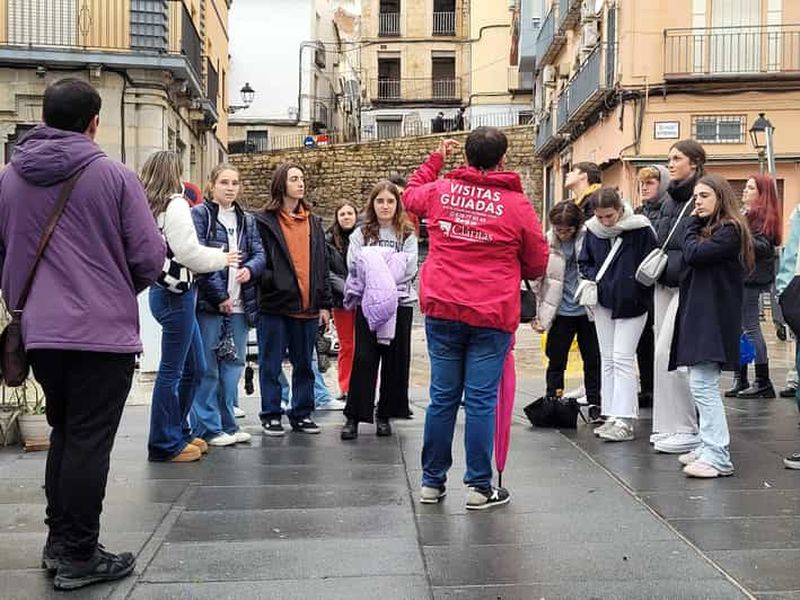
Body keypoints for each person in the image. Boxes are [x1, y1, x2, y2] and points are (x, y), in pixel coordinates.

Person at [0, 78, 165, 590]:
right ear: (95, 122)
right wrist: (115, 288)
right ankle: (78, 553)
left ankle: (59, 542)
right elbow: (149, 257)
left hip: (41, 333)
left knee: (67, 436)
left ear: (43, 118)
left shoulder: (9, 178)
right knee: (89, 442)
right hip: (100, 334)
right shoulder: (114, 176)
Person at [403, 128, 548, 510]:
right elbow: (537, 261)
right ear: (502, 159)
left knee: (442, 398)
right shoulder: (516, 205)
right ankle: (479, 486)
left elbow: (410, 195)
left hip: (443, 305)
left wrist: (435, 159)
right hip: (491, 310)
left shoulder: (440, 191)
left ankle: (432, 483)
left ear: (465, 157)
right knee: (481, 400)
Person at [145, 152, 239, 464]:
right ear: (176, 172)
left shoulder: (149, 206)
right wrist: (222, 258)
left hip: (164, 292)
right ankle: (164, 441)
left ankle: (178, 430)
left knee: (195, 367)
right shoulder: (176, 204)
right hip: (178, 295)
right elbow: (187, 252)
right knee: (174, 371)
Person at [670, 174, 753, 477]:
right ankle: (708, 446)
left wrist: (690, 225)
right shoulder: (715, 229)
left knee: (703, 385)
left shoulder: (729, 230)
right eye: (695, 197)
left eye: (704, 196)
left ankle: (718, 455)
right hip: (703, 314)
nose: (698, 202)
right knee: (700, 384)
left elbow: (692, 253)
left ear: (720, 197)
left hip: (713, 318)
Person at [189, 164, 266, 446]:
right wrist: (219, 295)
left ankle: (227, 425)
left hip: (240, 304)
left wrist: (252, 270)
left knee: (232, 366)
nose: (230, 187)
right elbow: (198, 259)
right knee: (208, 367)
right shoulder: (199, 216)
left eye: (235, 182)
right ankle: (207, 428)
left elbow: (259, 253)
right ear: (211, 185)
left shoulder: (247, 219)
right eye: (224, 182)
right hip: (211, 305)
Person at [254, 163, 332, 436]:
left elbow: (322, 265)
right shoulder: (264, 220)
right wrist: (272, 281)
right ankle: (271, 414)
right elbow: (257, 257)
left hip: (307, 304)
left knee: (305, 364)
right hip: (275, 304)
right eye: (294, 179)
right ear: (281, 184)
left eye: (302, 178)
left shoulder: (313, 221)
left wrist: (325, 304)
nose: (300, 183)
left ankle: (302, 413)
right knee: (271, 363)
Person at [340, 181, 418, 439]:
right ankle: (354, 416)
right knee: (364, 359)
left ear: (397, 205)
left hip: (400, 303)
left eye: (390, 201)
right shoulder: (361, 234)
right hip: (368, 304)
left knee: (395, 361)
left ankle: (384, 414)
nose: (385, 206)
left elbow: (408, 268)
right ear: (372, 204)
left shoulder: (407, 234)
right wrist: (387, 265)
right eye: (380, 201)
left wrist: (376, 265)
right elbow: (355, 265)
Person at [579, 189, 656, 442]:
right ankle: (612, 413)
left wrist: (636, 287)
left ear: (620, 209)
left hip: (632, 301)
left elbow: (651, 261)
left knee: (622, 358)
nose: (605, 222)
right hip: (605, 300)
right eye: (600, 217)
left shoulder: (640, 228)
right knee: (609, 358)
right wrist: (592, 281)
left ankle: (624, 419)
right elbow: (585, 261)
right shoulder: (592, 229)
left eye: (609, 216)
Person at [651, 139, 707, 454]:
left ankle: (687, 427)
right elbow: (661, 237)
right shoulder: (669, 198)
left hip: (685, 282)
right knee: (662, 358)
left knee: (668, 354)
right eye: (669, 158)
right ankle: (668, 424)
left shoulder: (701, 195)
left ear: (695, 163)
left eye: (677, 158)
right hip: (663, 281)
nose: (670, 164)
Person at [532, 201, 601, 410]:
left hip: (587, 309)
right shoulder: (547, 242)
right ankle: (553, 399)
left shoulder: (589, 238)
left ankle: (595, 401)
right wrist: (536, 313)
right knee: (556, 358)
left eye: (567, 230)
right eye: (558, 229)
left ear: (577, 226)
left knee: (593, 359)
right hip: (560, 309)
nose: (562, 234)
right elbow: (537, 278)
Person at [725, 174, 780, 399]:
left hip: (751, 279)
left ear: (761, 194)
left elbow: (764, 247)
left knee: (750, 327)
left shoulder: (764, 218)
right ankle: (742, 378)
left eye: (750, 188)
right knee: (738, 329)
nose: (745, 191)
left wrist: (739, 230)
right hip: (741, 277)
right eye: (745, 187)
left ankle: (762, 380)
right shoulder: (746, 215)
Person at [634, 165, 670, 407]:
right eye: (643, 183)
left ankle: (662, 386)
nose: (645, 187)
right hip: (642, 282)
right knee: (643, 338)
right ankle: (648, 385)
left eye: (651, 182)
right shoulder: (638, 213)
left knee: (663, 337)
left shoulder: (669, 211)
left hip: (664, 282)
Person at [326, 201, 359, 407]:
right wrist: (347, 288)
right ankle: (345, 386)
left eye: (350, 213)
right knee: (347, 345)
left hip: (365, 300)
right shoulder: (329, 241)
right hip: (342, 300)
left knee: (365, 347)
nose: (346, 217)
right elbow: (327, 272)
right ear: (337, 217)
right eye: (342, 214)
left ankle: (366, 386)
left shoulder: (365, 237)